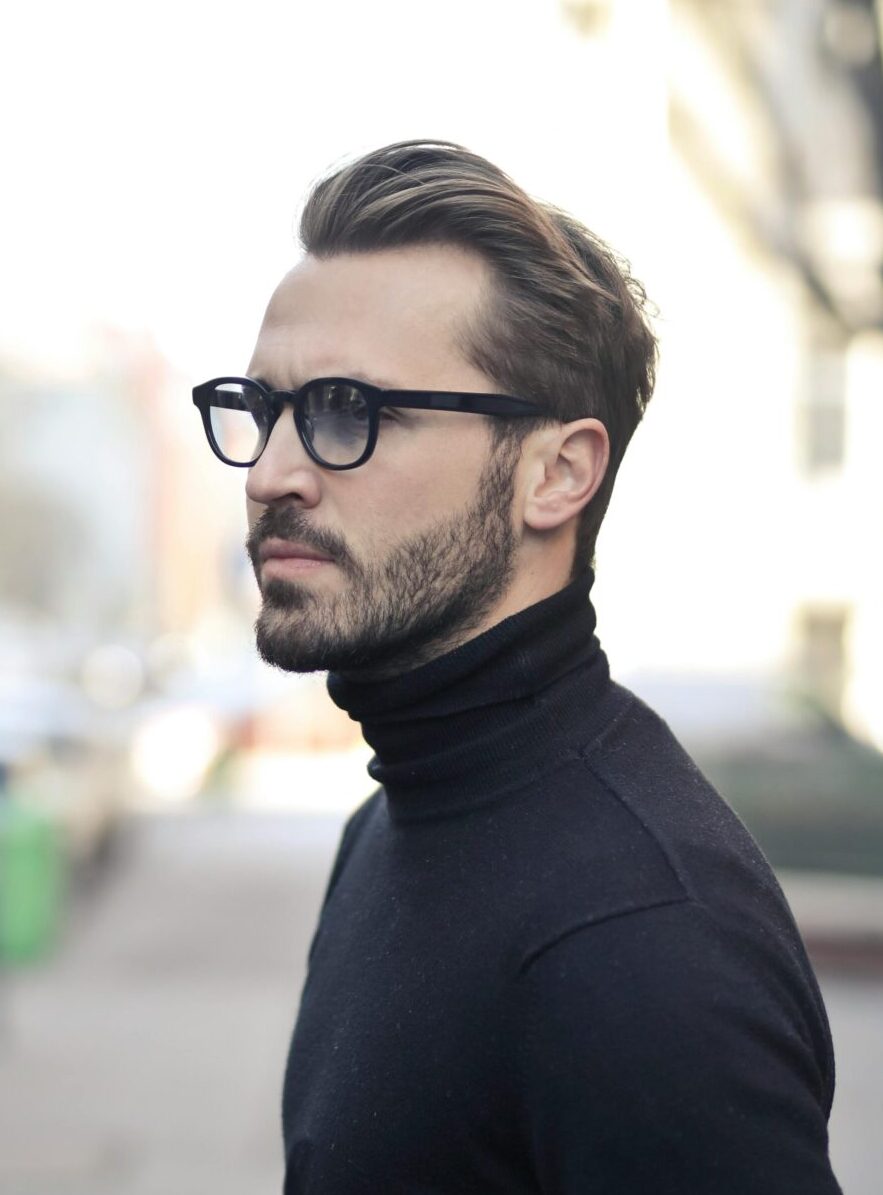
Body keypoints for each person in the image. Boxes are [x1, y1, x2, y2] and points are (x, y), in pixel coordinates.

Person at [193, 140, 842, 1193]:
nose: (271, 473)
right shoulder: (390, 824)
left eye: (349, 411)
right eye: (262, 408)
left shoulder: (642, 940)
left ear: (556, 473)